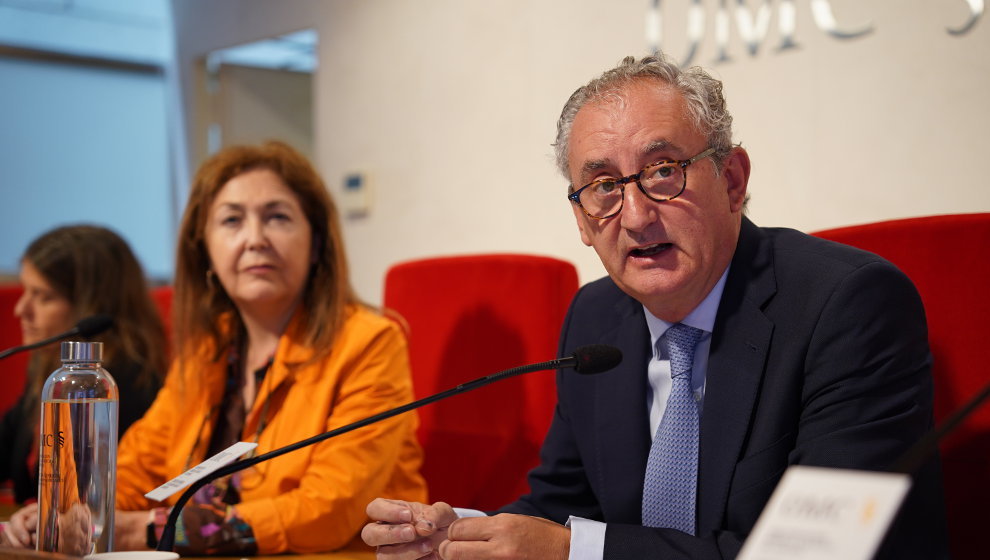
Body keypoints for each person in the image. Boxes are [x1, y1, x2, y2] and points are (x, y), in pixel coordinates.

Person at [360, 54, 949, 560]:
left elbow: (815, 551)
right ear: (582, 223)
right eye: (603, 187)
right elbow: (564, 503)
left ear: (733, 180)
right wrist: (455, 532)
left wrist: (574, 551)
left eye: (663, 172)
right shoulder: (595, 318)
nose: (637, 216)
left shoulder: (847, 306)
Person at [1, 141, 428, 555]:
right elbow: (136, 466)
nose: (255, 238)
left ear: (316, 244)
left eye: (277, 217)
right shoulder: (207, 350)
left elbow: (328, 510)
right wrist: (67, 511)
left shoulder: (370, 342)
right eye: (232, 221)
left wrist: (153, 530)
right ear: (204, 249)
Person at [0, 225, 167, 505]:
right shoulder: (50, 370)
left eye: (43, 296)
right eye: (26, 291)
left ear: (91, 307)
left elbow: (87, 499)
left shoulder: (115, 387)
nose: (21, 310)